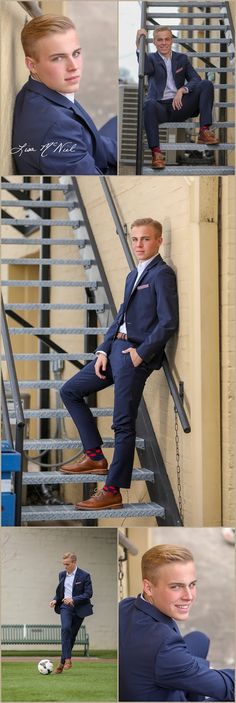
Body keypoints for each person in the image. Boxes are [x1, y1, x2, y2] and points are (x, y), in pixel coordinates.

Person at [59, 218, 179, 510]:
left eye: (146, 239)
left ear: (159, 241)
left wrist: (141, 353)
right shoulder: (132, 275)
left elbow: (168, 321)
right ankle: (94, 456)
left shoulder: (162, 274)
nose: (139, 244)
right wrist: (102, 350)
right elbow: (120, 316)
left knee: (122, 423)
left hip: (133, 355)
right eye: (135, 239)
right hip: (114, 349)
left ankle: (112, 490)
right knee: (70, 391)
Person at [119, 544, 235, 701]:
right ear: (148, 587)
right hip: (163, 680)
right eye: (176, 587)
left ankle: (192, 677)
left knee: (199, 638)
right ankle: (192, 679)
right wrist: (206, 674)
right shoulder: (165, 645)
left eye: (192, 584)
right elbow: (228, 687)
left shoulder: (126, 605)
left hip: (145, 675)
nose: (189, 596)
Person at [12, 15, 117, 175]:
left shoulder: (38, 89)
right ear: (32, 65)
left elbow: (89, 139)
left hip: (87, 150)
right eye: (58, 58)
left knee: (119, 123)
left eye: (76, 53)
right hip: (97, 171)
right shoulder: (57, 129)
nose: (74, 66)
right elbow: (95, 188)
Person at [136, 26, 219, 169]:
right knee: (148, 104)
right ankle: (156, 154)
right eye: (159, 40)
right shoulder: (151, 59)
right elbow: (145, 69)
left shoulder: (182, 59)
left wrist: (183, 90)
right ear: (154, 42)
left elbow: (195, 79)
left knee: (206, 84)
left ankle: (204, 131)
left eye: (167, 39)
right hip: (160, 107)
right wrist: (139, 45)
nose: (163, 43)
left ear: (171, 40)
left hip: (180, 105)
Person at [49, 552, 93, 673]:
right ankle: (68, 658)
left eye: (67, 564)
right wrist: (55, 599)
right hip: (65, 607)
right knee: (66, 629)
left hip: (79, 609)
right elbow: (60, 592)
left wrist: (73, 599)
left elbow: (88, 594)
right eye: (64, 564)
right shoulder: (62, 575)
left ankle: (62, 663)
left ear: (74, 562)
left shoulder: (85, 576)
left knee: (71, 636)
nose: (65, 567)